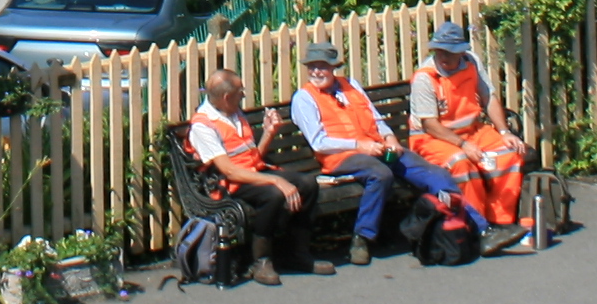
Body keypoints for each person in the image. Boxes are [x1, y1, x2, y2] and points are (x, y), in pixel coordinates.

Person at [291, 40, 466, 261]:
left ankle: (463, 225)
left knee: (433, 172)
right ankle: (362, 238)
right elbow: (319, 142)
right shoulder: (304, 98)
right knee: (380, 174)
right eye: (312, 67)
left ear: (333, 68)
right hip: (342, 157)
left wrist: (390, 137)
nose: (316, 72)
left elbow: (375, 118)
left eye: (322, 66)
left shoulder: (351, 85)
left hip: (376, 147)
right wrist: (359, 146)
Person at [184, 68, 315, 284]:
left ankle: (297, 253)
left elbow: (253, 156)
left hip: (253, 172)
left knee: (307, 184)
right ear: (227, 97)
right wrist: (276, 180)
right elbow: (229, 171)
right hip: (230, 183)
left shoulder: (234, 112)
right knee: (273, 195)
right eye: (240, 92)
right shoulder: (203, 126)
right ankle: (261, 260)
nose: (244, 95)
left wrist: (269, 132)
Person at [406, 23, 531, 244]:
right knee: (461, 164)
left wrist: (504, 132)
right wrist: (463, 145)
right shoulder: (425, 77)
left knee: (508, 155)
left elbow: (488, 97)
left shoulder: (471, 62)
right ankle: (476, 229)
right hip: (432, 138)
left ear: (461, 52)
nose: (443, 56)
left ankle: (501, 223)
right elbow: (430, 125)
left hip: (472, 131)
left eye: (449, 51)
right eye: (439, 51)